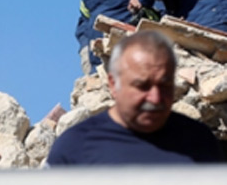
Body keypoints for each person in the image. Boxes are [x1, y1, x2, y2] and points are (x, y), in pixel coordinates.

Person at [46, 30, 223, 165]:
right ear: (114, 84)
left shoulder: (199, 142)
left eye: (164, 85)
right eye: (142, 86)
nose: (155, 98)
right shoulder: (74, 149)